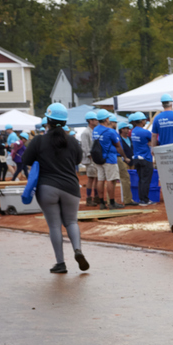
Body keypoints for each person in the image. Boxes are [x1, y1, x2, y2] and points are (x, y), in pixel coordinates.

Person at [22, 104, 90, 274]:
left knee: (54, 226)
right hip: (71, 188)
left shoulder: (38, 140)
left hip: (47, 187)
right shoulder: (72, 141)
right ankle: (77, 250)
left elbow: (26, 160)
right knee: (72, 222)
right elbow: (77, 160)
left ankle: (60, 263)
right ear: (64, 121)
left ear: (48, 121)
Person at [95, 115, 123, 210]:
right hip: (109, 158)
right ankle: (111, 202)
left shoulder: (95, 130)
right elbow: (118, 145)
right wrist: (125, 156)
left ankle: (102, 203)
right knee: (111, 180)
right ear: (106, 119)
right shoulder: (110, 131)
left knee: (100, 180)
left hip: (98, 158)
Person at [128, 113, 155, 205]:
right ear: (141, 121)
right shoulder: (145, 132)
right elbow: (154, 141)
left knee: (141, 180)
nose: (145, 121)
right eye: (144, 120)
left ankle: (142, 199)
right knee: (146, 180)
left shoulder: (133, 131)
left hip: (137, 158)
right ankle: (145, 200)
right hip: (145, 159)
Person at [81, 111, 100, 204]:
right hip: (90, 159)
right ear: (90, 121)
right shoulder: (86, 132)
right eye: (95, 119)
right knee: (91, 178)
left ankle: (96, 197)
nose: (97, 121)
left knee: (96, 177)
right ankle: (89, 198)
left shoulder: (94, 131)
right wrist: (91, 156)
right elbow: (85, 147)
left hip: (95, 158)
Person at [116, 119, 135, 206]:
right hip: (124, 162)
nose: (128, 130)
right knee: (126, 179)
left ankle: (130, 196)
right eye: (126, 128)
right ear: (122, 129)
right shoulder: (119, 139)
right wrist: (124, 158)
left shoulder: (130, 139)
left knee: (131, 180)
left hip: (132, 161)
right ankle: (127, 198)